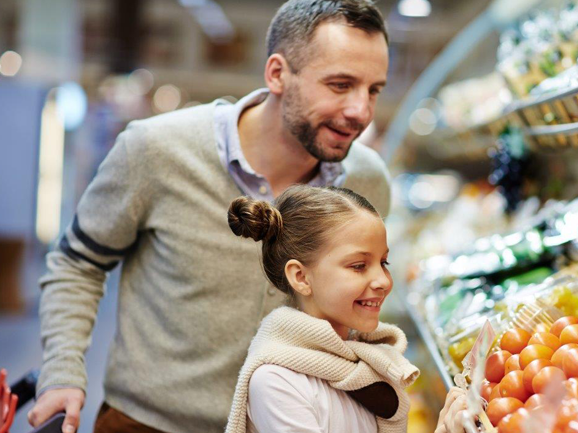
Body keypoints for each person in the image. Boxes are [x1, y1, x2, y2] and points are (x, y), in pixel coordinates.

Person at [28, 1, 394, 432]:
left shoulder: (367, 182)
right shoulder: (156, 150)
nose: (361, 112)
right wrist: (63, 371)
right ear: (277, 73)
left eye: (373, 90)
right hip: (147, 424)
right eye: (340, 85)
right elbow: (78, 263)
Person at [224, 185, 468, 433]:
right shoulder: (276, 382)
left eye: (384, 262)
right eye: (359, 265)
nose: (383, 280)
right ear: (301, 277)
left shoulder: (364, 365)